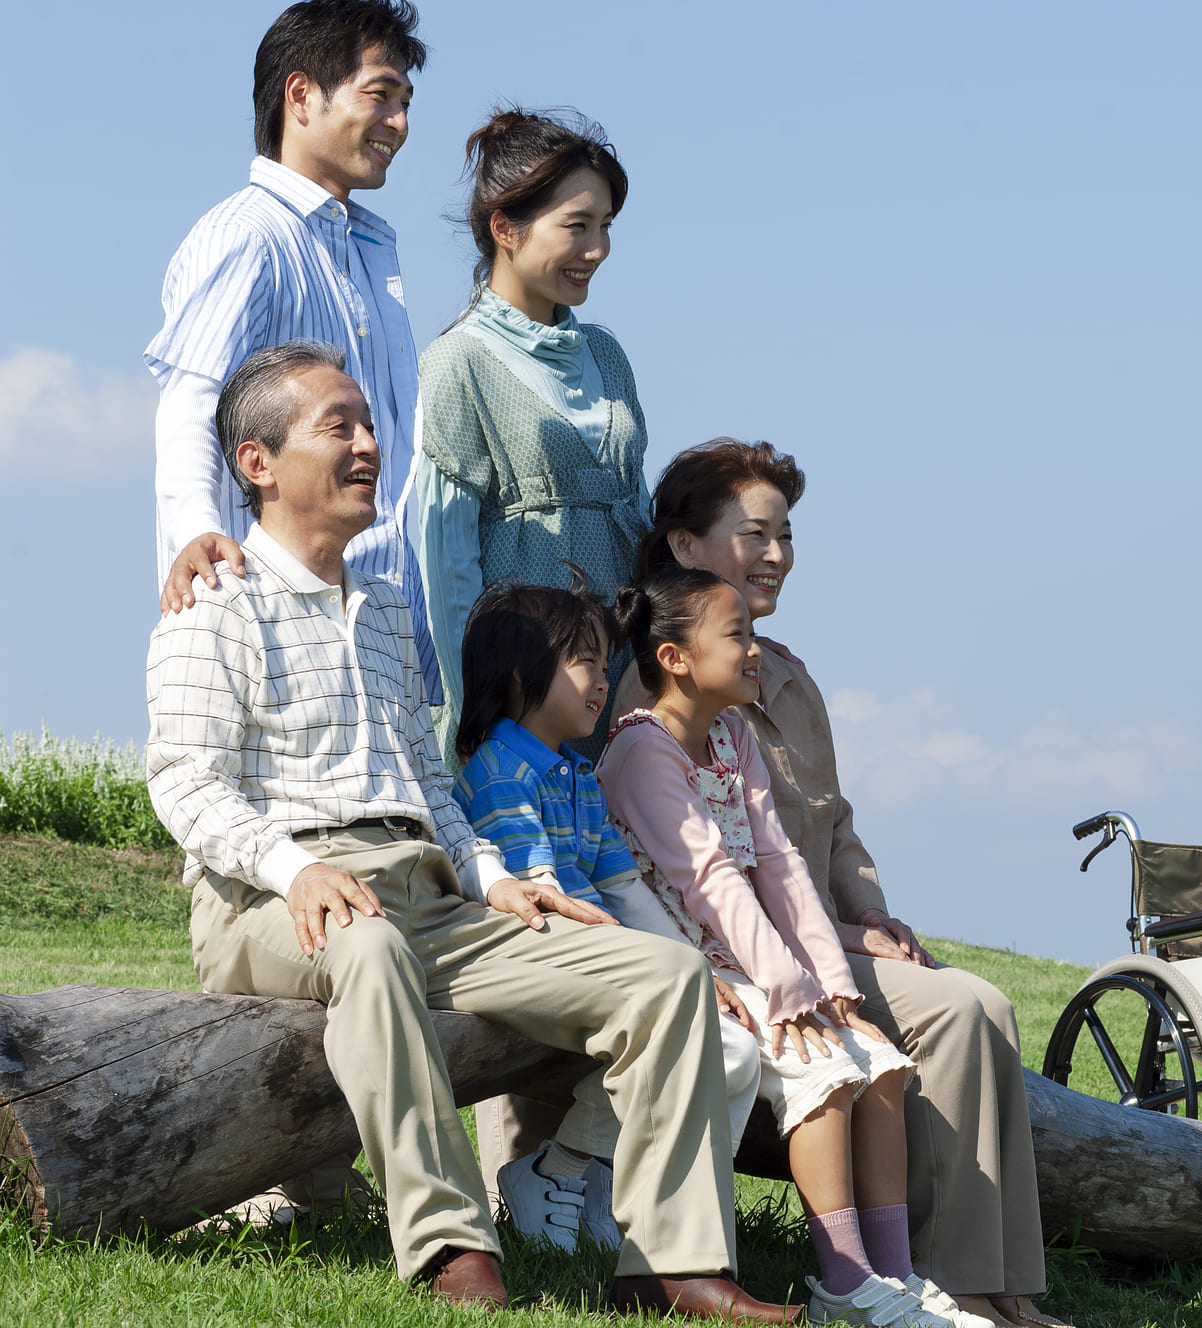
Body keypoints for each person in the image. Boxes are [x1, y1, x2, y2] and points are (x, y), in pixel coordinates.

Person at [145, 340, 793, 1322]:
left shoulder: (384, 608)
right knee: (366, 946)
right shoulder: (212, 606)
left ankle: (671, 1262)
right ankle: (449, 1240)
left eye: (370, 425)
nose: (369, 445)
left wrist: (491, 877)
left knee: (662, 975)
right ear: (258, 462)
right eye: (338, 427)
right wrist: (294, 869)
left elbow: (426, 780)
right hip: (269, 901)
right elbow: (184, 781)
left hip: (428, 894)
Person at [619, 441, 1065, 1328]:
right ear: (684, 546)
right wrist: (817, 969)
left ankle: (993, 1279)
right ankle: (938, 1279)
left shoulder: (788, 678)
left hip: (817, 943)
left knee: (980, 1003)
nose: (777, 554)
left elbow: (831, 828)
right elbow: (700, 872)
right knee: (960, 1011)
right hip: (744, 957)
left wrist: (870, 914)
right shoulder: (652, 691)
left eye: (786, 535)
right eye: (755, 533)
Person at [599, 567, 986, 1328]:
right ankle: (845, 1284)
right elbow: (708, 881)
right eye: (735, 635)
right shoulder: (643, 751)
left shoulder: (733, 737)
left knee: (881, 1067)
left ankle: (894, 1279)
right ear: (675, 659)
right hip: (692, 966)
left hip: (755, 962)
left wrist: (832, 987)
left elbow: (780, 865)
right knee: (824, 1074)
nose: (754, 651)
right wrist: (789, 993)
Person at [449, 575, 763, 1246]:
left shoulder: (576, 777)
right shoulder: (501, 773)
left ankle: (618, 1196)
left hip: (604, 957)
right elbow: (539, 898)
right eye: (585, 662)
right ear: (520, 674)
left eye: (604, 663)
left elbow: (625, 889)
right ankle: (572, 1175)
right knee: (720, 1050)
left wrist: (692, 969)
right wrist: (658, 971)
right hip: (544, 956)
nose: (601, 681)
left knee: (732, 1049)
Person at [148, 0, 441, 716]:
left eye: (406, 102)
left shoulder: (364, 251)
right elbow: (192, 403)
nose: (399, 122)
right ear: (302, 96)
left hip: (375, 614)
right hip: (272, 621)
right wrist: (196, 537)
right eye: (380, 95)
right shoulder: (247, 236)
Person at [414, 107, 651, 763]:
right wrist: (470, 729)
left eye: (606, 226)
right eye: (577, 225)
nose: (597, 249)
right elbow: (445, 569)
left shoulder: (607, 355)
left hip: (622, 684)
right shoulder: (457, 363)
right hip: (522, 703)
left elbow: (641, 516)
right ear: (505, 229)